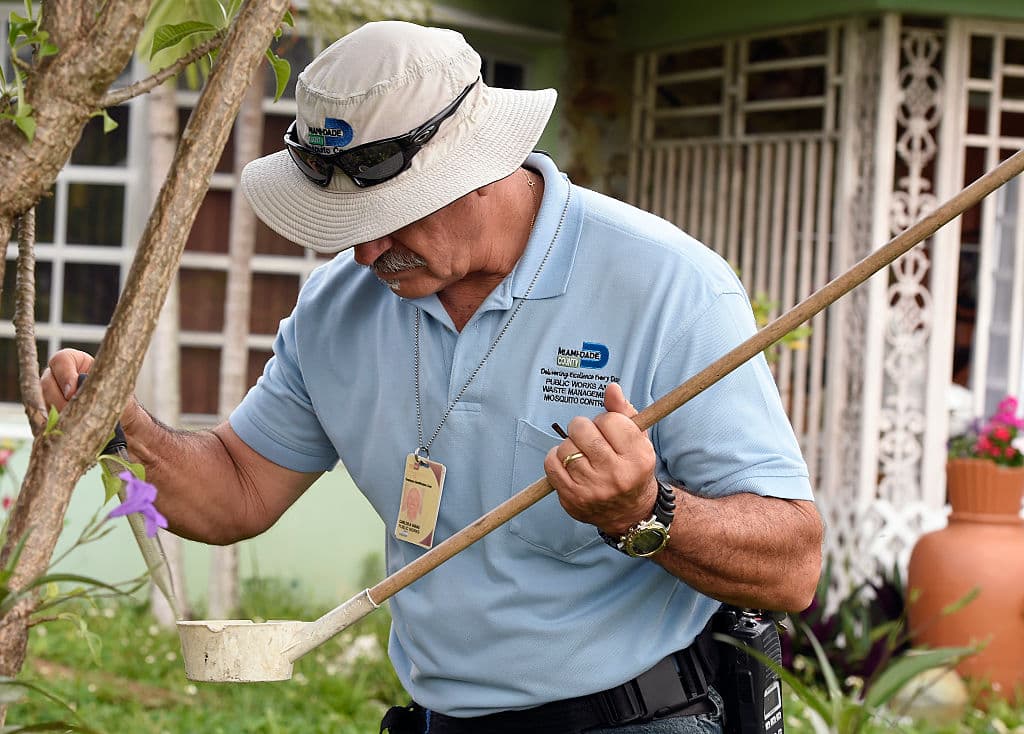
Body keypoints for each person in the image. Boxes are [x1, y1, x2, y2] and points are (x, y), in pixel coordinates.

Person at [42, 21, 822, 734]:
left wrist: (646, 514)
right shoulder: (338, 308)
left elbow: (793, 566)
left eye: (390, 217)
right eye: (347, 226)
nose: (365, 254)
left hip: (640, 717)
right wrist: (121, 432)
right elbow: (238, 488)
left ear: (486, 166)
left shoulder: (668, 286)